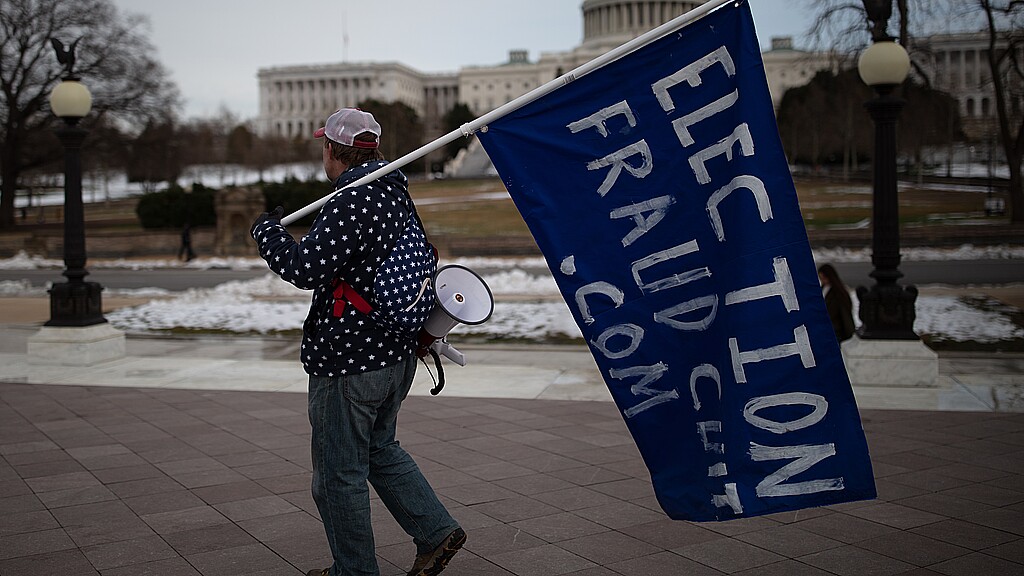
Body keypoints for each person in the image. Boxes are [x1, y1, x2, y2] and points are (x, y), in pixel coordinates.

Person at [250, 108, 464, 576]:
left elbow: (304, 268)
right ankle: (435, 531)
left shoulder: (352, 198)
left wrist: (267, 232)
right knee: (379, 449)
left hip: (351, 363)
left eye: (322, 145)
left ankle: (355, 572)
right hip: (397, 352)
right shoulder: (393, 188)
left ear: (331, 149)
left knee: (337, 478)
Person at [818, 263, 855, 342]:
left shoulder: (838, 293)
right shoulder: (823, 289)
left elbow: (844, 313)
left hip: (835, 330)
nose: (822, 280)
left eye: (823, 278)